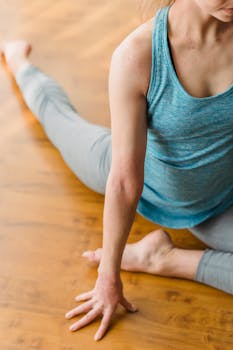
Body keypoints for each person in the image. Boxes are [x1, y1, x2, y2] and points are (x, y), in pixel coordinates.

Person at [1, 0, 233, 342]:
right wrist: (107, 277)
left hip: (217, 201)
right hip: (136, 174)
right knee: (58, 121)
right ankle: (19, 62)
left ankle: (162, 259)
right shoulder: (137, 56)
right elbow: (125, 181)